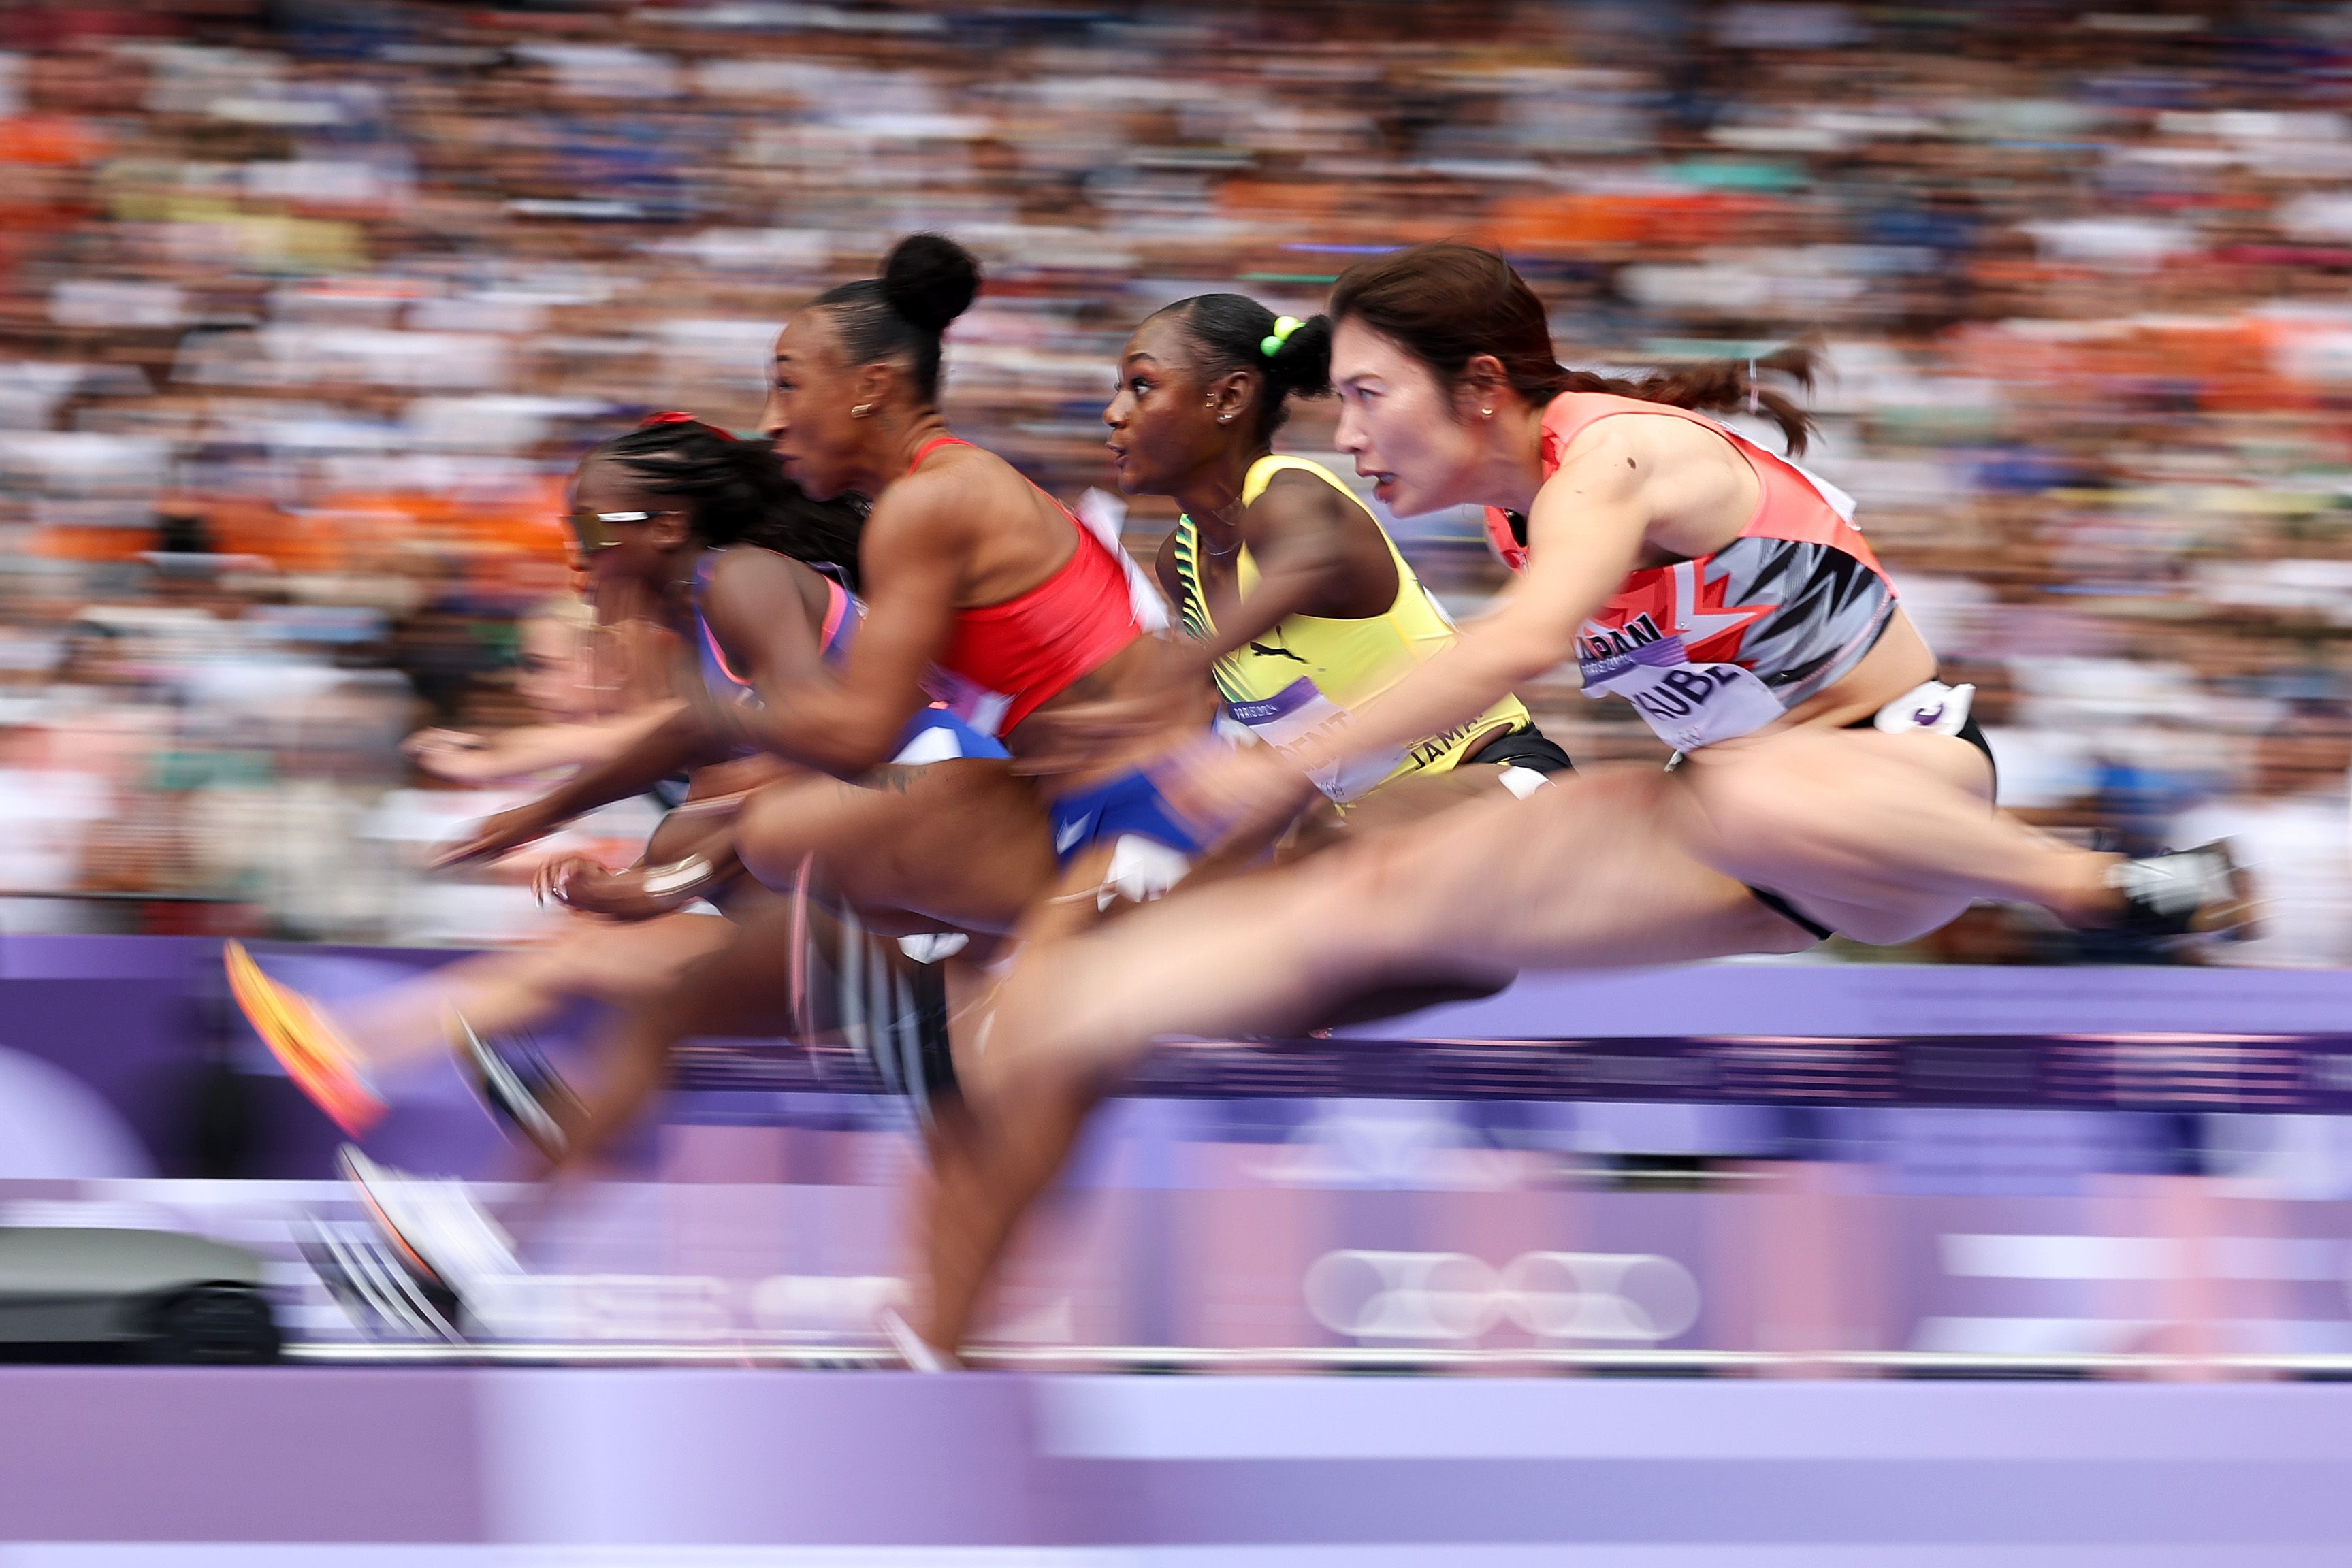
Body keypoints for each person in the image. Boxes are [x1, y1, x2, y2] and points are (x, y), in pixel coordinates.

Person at [945, 242, 2253, 1366]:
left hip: (1901, 781)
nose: (1345, 437)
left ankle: (2099, 884)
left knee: (1750, 780)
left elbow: (1516, 649)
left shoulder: (1610, 457)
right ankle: (1044, 1025)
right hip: (1736, 842)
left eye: (1365, 399)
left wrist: (1280, 763)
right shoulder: (1522, 511)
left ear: (1480, 388)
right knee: (1381, 892)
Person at [232, 414, 1053, 1143]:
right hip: (878, 883)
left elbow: (806, 765)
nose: (573, 554)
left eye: (589, 529)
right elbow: (692, 750)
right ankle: (408, 1065)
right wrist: (537, 818)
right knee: (625, 927)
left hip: (942, 847)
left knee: (665, 877)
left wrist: (655, 875)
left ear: (665, 527)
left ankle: (448, 1075)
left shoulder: (742, 583)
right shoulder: (699, 626)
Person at [1067, 291, 1573, 841]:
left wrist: (1178, 669)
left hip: (1502, 777)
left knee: (1328, 851)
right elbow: (1288, 744)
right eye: (1119, 390)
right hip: (1372, 822)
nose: (1113, 413)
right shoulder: (1178, 562)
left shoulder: (1289, 492)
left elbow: (1308, 561)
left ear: (1229, 397)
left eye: (1141, 386)